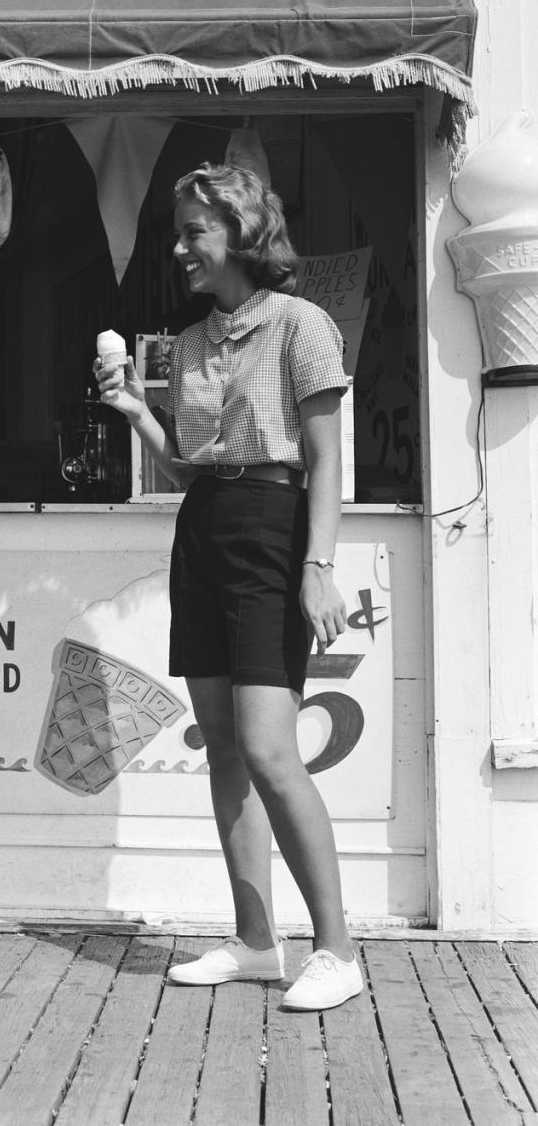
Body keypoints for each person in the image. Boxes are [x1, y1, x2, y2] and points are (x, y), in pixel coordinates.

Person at [95, 163, 362, 1011]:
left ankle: (338, 949)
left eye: (192, 232)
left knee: (272, 750)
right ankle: (255, 941)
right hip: (205, 526)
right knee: (225, 748)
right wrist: (139, 410)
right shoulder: (192, 340)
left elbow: (325, 461)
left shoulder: (303, 324)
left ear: (241, 231)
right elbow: (191, 463)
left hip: (273, 529)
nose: (178, 249)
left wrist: (317, 566)